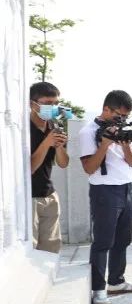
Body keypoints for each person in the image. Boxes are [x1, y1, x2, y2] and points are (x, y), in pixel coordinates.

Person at [78, 90, 132, 304]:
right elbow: (89, 167)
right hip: (104, 190)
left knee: (123, 239)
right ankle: (98, 289)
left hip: (126, 187)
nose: (122, 120)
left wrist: (125, 143)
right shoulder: (89, 132)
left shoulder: (124, 129)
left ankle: (116, 281)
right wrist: (105, 145)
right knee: (103, 242)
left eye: (125, 117)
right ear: (106, 109)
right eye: (119, 116)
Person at [29, 82, 69, 252]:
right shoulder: (22, 130)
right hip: (28, 199)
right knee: (30, 251)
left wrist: (59, 146)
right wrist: (47, 142)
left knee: (50, 250)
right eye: (47, 103)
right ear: (32, 104)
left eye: (55, 104)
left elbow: (63, 163)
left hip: (49, 196)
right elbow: (29, 169)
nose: (52, 108)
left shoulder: (54, 125)